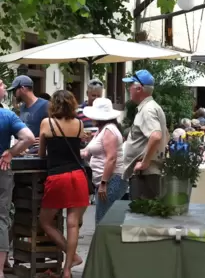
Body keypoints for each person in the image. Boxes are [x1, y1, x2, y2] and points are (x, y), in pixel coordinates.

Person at [38, 90, 89, 278]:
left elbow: (41, 154)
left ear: (53, 105)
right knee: (73, 223)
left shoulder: (47, 123)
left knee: (45, 221)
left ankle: (73, 255)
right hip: (78, 175)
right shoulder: (79, 124)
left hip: (58, 177)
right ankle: (68, 269)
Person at [0, 79, 35, 278]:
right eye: (2, 84)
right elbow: (29, 138)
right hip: (1, 169)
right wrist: (11, 153)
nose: (5, 87)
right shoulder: (7, 115)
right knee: (1, 218)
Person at [122, 70, 169, 200]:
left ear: (139, 88)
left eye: (130, 85)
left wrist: (144, 163)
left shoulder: (147, 109)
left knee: (141, 216)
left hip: (145, 174)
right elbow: (166, 135)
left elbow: (156, 136)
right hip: (148, 173)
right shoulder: (152, 107)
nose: (128, 89)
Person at [81, 98, 127, 224]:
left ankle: (105, 244)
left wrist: (103, 183)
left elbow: (111, 158)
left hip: (111, 180)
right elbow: (87, 152)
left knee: (103, 220)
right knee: (103, 218)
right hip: (106, 180)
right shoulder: (101, 130)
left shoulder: (109, 131)